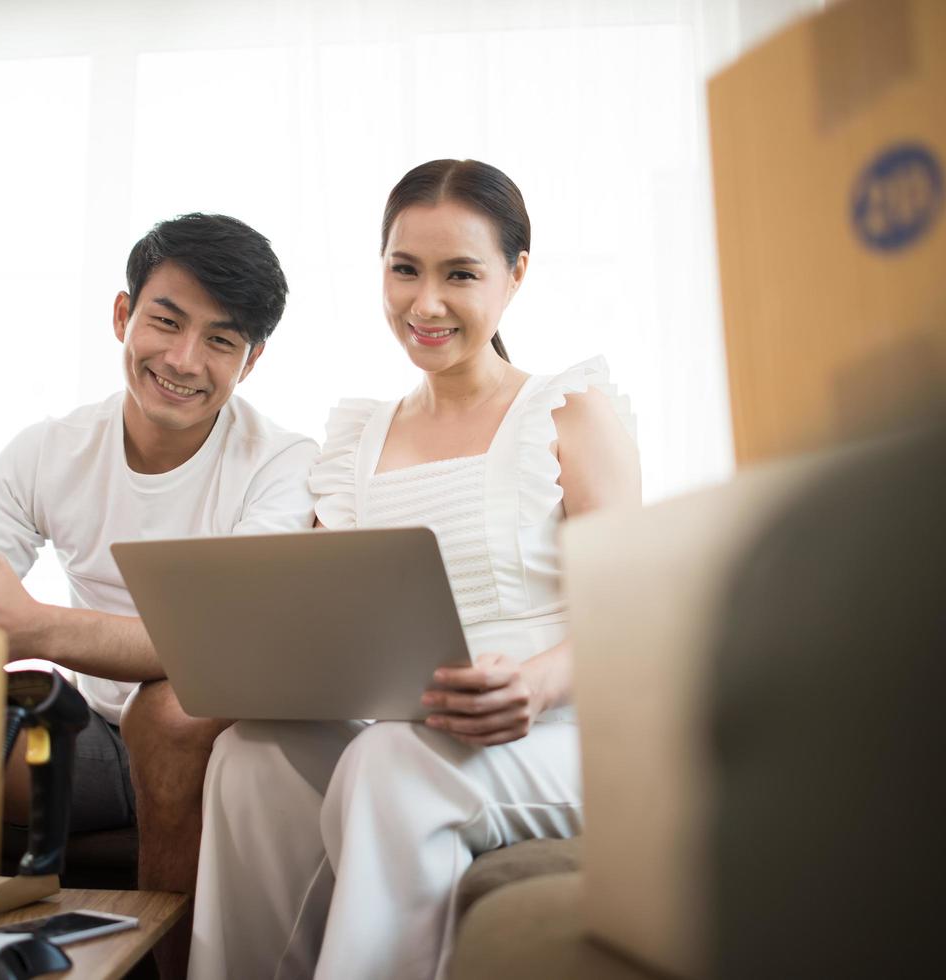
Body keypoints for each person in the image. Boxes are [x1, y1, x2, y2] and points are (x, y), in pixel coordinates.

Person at [188, 159, 643, 980]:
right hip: (414, 732)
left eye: (458, 274)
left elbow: (636, 620)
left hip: (569, 734)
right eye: (404, 270)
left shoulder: (570, 412)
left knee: (391, 761)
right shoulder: (355, 441)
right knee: (250, 758)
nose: (423, 303)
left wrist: (534, 684)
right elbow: (334, 622)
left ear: (515, 276)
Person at [0, 212, 317, 980]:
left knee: (172, 706)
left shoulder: (283, 464)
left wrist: (34, 626)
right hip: (92, 743)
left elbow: (222, 645)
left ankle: (171, 967)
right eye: (166, 322)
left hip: (211, 738)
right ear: (123, 315)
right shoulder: (48, 449)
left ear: (251, 361)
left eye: (219, 340)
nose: (182, 360)